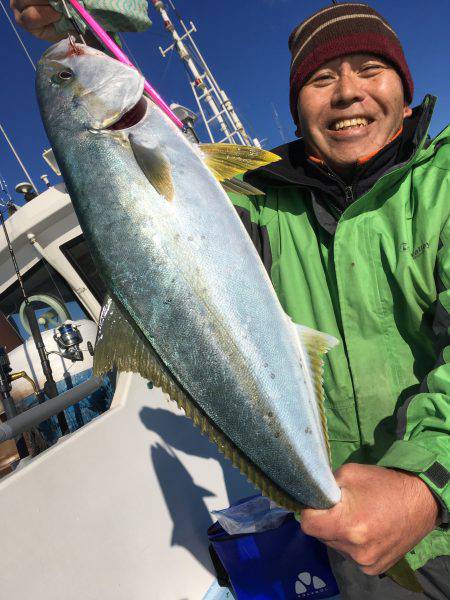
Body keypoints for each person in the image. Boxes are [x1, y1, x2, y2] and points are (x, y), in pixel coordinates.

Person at [12, 2, 450, 598]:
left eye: (370, 69)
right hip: (347, 531)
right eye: (321, 80)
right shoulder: (258, 203)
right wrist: (76, 25)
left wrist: (422, 485)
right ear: (297, 103)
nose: (347, 93)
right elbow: (174, 247)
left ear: (405, 87)